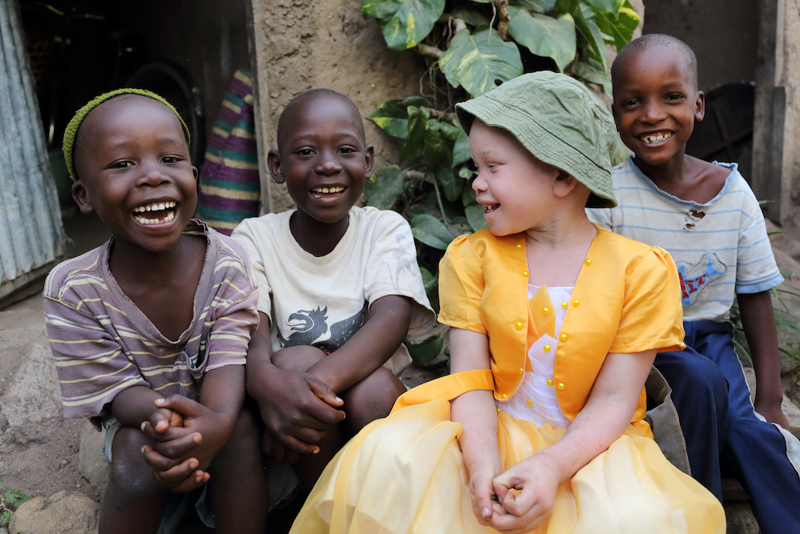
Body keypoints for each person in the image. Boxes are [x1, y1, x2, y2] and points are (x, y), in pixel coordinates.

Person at [288, 72, 725, 534]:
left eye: (492, 167)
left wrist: (552, 467)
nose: (477, 183)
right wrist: (481, 469)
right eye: (477, 167)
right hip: (485, 433)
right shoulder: (472, 258)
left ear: (561, 174)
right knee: (392, 458)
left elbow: (615, 399)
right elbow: (470, 381)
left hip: (589, 449)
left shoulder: (640, 271)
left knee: (635, 519)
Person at [586, 33, 800, 532]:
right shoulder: (609, 195)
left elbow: (754, 295)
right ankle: (700, 511)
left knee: (749, 429)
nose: (652, 114)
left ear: (698, 106)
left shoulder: (733, 193)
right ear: (615, 113)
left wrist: (770, 397)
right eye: (633, 102)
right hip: (638, 344)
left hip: (710, 340)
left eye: (672, 97)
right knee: (700, 391)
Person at [43, 89, 267, 534]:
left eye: (169, 160)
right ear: (84, 195)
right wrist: (163, 420)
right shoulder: (73, 290)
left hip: (223, 409)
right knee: (135, 455)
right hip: (138, 420)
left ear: (194, 174)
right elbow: (117, 391)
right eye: (123, 164)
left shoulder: (228, 261)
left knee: (239, 430)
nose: (152, 177)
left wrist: (217, 422)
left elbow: (228, 360)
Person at [231, 89, 435, 506]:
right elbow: (249, 334)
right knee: (290, 360)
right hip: (297, 427)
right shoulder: (254, 237)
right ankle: (336, 511)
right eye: (305, 152)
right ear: (277, 166)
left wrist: (304, 393)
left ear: (368, 160)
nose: (327, 165)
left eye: (344, 150)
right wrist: (269, 386)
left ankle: (378, 510)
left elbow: (391, 318)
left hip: (356, 409)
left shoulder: (383, 229)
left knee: (373, 387)